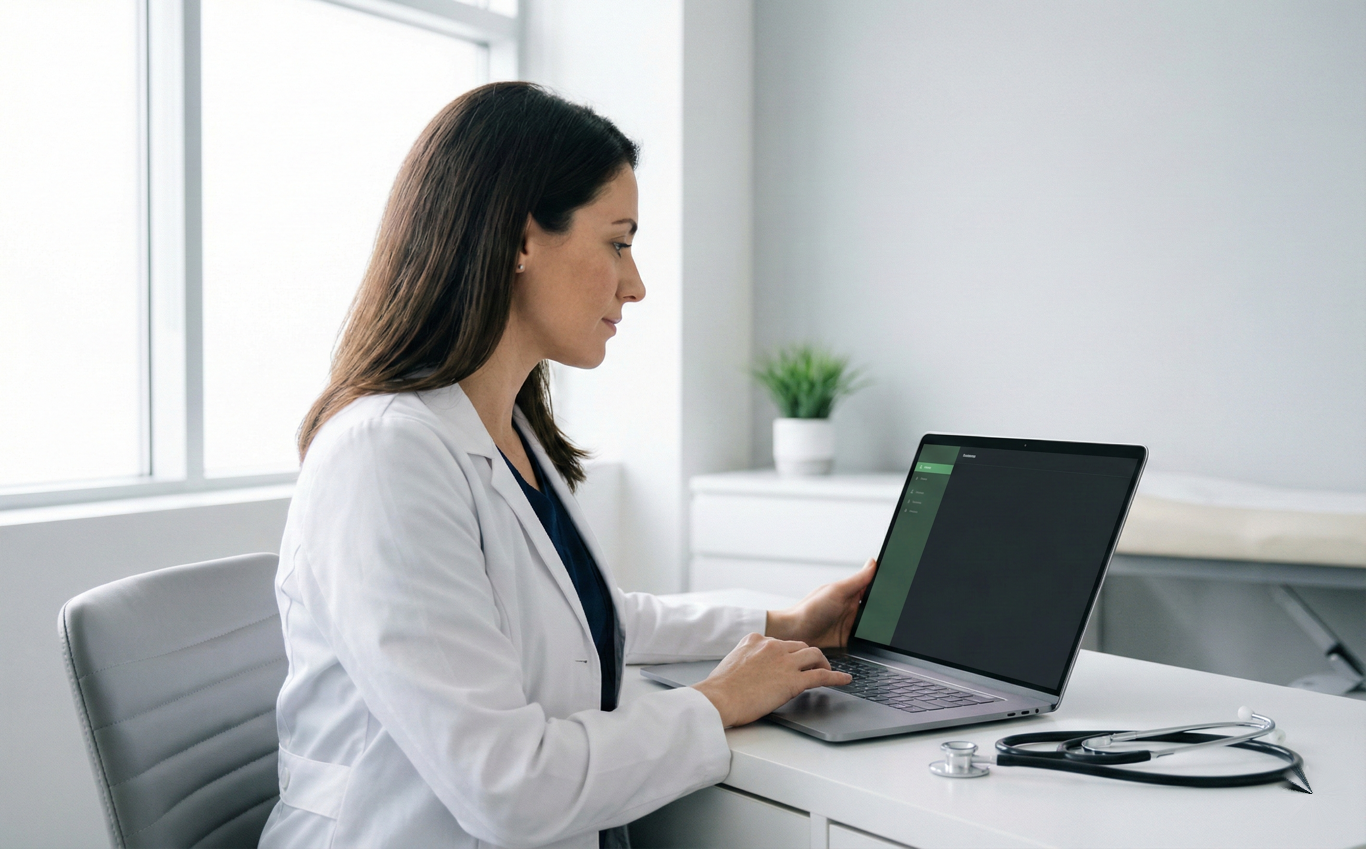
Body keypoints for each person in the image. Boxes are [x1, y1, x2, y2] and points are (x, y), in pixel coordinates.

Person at [257, 81, 875, 849]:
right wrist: (715, 702)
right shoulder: (384, 455)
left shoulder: (506, 428)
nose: (636, 282)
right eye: (618, 240)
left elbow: (589, 621)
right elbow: (507, 786)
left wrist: (784, 622)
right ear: (521, 239)